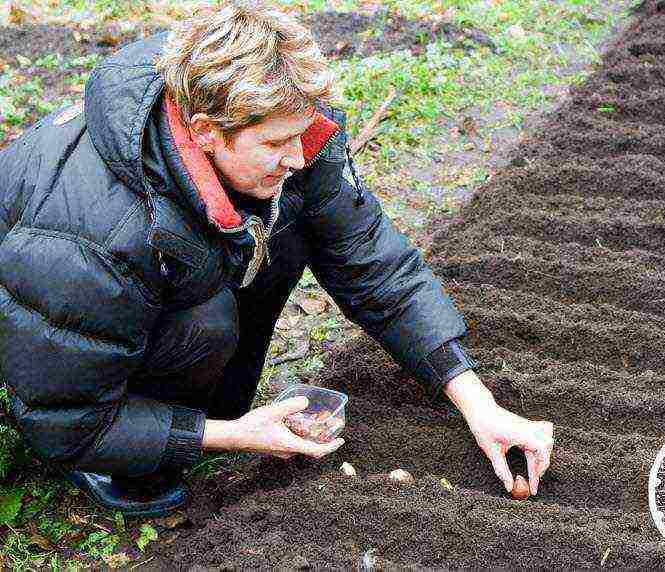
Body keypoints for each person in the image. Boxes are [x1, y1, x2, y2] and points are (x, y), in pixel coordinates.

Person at [0, 0, 552, 517]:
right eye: (276, 145)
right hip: (51, 345)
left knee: (287, 222)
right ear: (205, 133)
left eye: (304, 135)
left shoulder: (285, 130)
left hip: (123, 285)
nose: (297, 156)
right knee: (203, 322)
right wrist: (233, 435)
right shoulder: (91, 234)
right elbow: (67, 420)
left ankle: (201, 407)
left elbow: (377, 266)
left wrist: (482, 407)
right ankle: (123, 464)